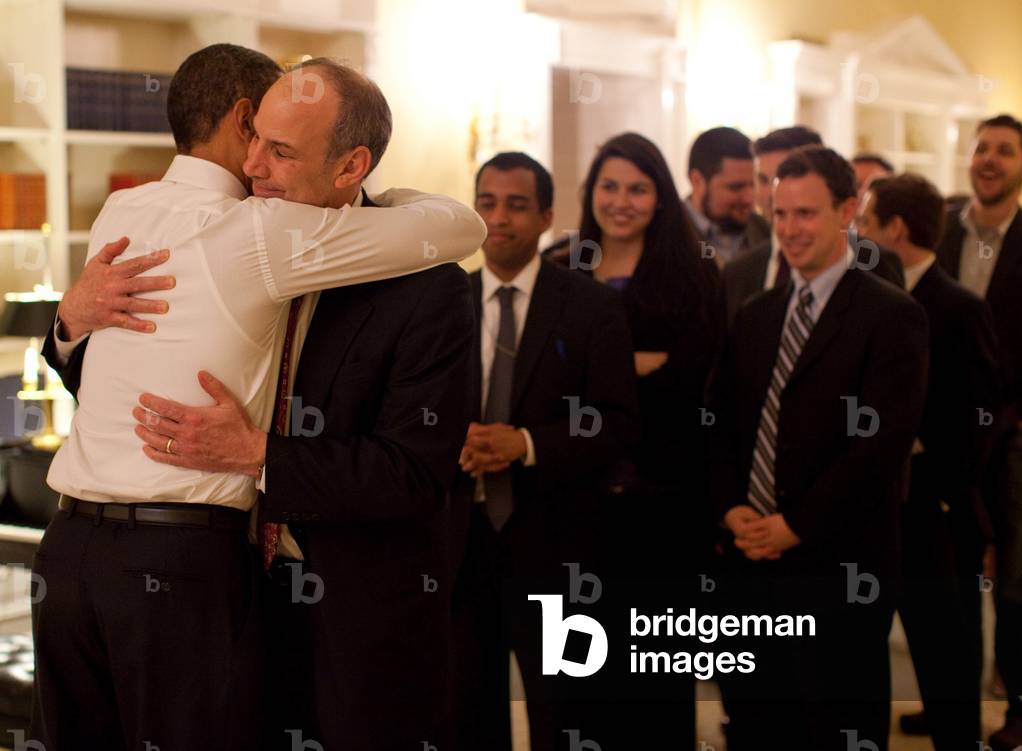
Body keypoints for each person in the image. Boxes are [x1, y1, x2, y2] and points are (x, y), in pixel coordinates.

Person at [37, 48, 484, 751]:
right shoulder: (229, 224)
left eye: (280, 151)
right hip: (215, 593)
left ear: (351, 167)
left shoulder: (428, 289)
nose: (252, 167)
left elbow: (414, 475)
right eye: (255, 141)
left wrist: (258, 454)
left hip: (346, 622)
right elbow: (130, 379)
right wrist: (69, 322)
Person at [712, 146, 928, 749]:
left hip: (841, 568)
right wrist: (731, 507)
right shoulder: (756, 314)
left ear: (847, 211)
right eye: (779, 214)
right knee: (757, 727)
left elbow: (879, 449)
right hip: (750, 563)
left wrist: (795, 526)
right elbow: (722, 422)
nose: (789, 229)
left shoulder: (892, 315)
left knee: (836, 727)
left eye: (805, 213)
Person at [450, 152, 638, 751]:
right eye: (488, 203)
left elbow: (617, 423)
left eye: (517, 205)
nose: (500, 218)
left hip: (559, 546)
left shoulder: (589, 306)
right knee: (466, 714)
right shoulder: (445, 301)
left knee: (564, 715)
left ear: (546, 216)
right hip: (460, 546)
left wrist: (527, 444)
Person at [547, 131, 721, 748]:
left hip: (664, 500)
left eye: (638, 189)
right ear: (590, 191)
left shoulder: (693, 273)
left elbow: (697, 383)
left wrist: (608, 377)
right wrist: (634, 367)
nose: (621, 201)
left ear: (661, 196)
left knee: (656, 681)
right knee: (577, 676)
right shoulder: (561, 266)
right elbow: (550, 384)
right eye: (610, 186)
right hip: (575, 501)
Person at [857, 173, 1001, 750]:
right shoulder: (860, 299)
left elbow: (979, 417)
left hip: (933, 510)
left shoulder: (959, 307)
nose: (856, 233)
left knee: (945, 654)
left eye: (865, 222)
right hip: (873, 504)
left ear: (894, 228)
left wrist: (940, 489)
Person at [935, 113, 1022, 751]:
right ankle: (952, 703)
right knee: (952, 573)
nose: (990, 159)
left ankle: (1018, 705)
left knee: (1016, 578)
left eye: (1005, 151)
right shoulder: (940, 229)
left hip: (1015, 433)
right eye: (982, 148)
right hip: (945, 433)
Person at [722, 127, 904, 325]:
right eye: (762, 180)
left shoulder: (875, 262)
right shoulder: (737, 272)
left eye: (783, 177)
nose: (770, 194)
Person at [684, 126, 769, 267]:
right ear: (697, 181)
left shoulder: (765, 232)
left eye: (753, 185)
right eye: (736, 187)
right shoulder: (662, 233)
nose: (749, 199)